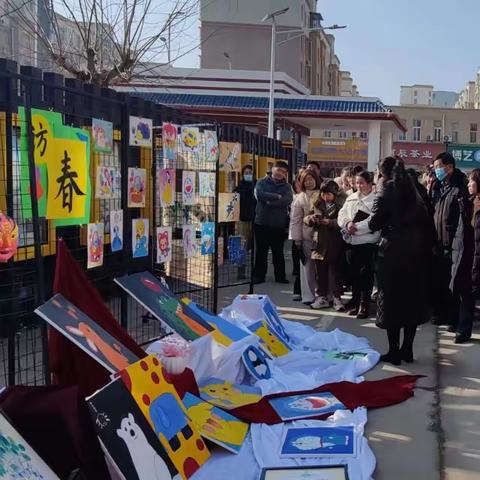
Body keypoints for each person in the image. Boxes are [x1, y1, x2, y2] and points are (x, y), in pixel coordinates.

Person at [369, 157, 432, 365]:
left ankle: (394, 351)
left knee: (392, 301)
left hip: (392, 251)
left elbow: (374, 223)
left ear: (382, 172)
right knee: (411, 301)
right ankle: (408, 350)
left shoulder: (386, 190)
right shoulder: (416, 190)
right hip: (416, 250)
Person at [430, 152, 468, 326]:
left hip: (454, 243)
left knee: (454, 284)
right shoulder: (438, 185)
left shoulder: (461, 185)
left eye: (439, 167)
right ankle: (441, 314)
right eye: (436, 167)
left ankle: (453, 318)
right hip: (438, 243)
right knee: (439, 281)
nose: (437, 170)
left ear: (450, 167)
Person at [338, 171, 380, 319]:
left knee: (365, 275)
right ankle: (355, 301)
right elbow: (341, 214)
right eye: (357, 183)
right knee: (354, 274)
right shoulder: (351, 197)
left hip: (367, 242)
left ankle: (364, 304)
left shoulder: (375, 200)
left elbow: (374, 222)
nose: (359, 186)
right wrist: (347, 223)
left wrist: (356, 228)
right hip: (351, 242)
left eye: (362, 183)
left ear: (370, 184)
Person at [305, 180, 346, 311]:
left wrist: (331, 223)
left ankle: (337, 298)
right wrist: (311, 219)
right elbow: (306, 218)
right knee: (320, 273)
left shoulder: (340, 206)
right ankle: (321, 297)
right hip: (319, 243)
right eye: (323, 193)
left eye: (329, 194)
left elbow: (343, 221)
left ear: (334, 194)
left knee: (335, 273)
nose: (326, 196)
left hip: (335, 242)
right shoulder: (317, 204)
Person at [450, 169, 479, 343]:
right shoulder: (469, 202)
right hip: (469, 256)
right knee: (466, 294)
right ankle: (463, 329)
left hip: (477, 256)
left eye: (471, 181)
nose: (468, 184)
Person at [253, 161, 293, 284]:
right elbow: (259, 195)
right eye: (279, 170)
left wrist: (269, 201)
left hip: (278, 225)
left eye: (283, 172)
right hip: (261, 222)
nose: (280, 173)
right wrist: (276, 196)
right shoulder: (261, 182)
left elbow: (287, 200)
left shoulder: (287, 187)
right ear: (273, 169)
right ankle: (259, 276)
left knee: (278, 252)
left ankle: (280, 276)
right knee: (261, 252)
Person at [289, 170, 320, 304]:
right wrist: (297, 239)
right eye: (305, 180)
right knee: (307, 267)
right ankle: (308, 296)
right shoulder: (299, 198)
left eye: (311, 179)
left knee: (323, 268)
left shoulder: (324, 193)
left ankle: (325, 295)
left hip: (324, 237)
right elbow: (295, 220)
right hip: (306, 237)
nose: (309, 182)